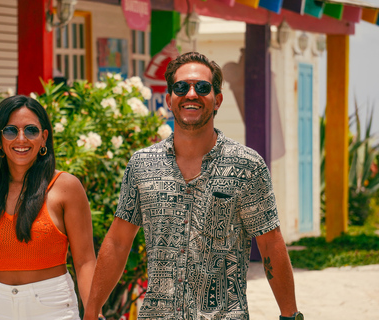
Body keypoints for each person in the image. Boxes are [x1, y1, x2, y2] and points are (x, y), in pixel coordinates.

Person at [84, 52, 303, 320]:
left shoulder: (248, 165)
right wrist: (92, 311)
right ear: (169, 99)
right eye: (181, 87)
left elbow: (270, 244)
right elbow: (118, 242)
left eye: (202, 87)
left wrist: (290, 315)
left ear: (217, 100)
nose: (191, 93)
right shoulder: (142, 165)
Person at [0, 95, 96, 320]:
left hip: (52, 307)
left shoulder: (66, 188)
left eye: (31, 130)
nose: (21, 139)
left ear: (44, 138)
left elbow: (85, 261)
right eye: (10, 131)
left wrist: (95, 314)